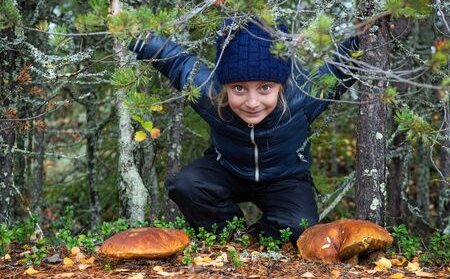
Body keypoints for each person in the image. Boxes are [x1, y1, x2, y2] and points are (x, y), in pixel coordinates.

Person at [129, 17, 358, 246]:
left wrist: (363, 38)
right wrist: (132, 32)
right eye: (239, 88)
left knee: (300, 225)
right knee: (187, 184)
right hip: (228, 169)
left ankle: (256, 241)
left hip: (285, 177)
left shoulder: (302, 97)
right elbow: (177, 63)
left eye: (265, 88)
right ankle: (231, 238)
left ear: (281, 85)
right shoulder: (211, 94)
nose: (252, 102)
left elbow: (339, 68)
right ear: (224, 86)